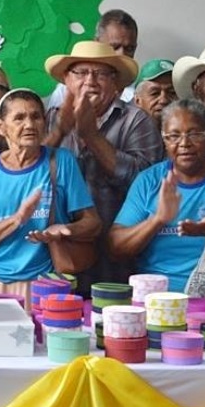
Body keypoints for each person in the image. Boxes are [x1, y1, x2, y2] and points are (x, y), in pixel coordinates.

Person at [44, 40, 163, 290]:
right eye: (81, 72)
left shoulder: (136, 120)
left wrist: (91, 135)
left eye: (100, 74)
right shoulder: (49, 117)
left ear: (116, 82)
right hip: (56, 252)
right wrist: (60, 131)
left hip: (116, 253)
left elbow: (144, 182)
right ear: (66, 78)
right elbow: (29, 173)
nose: (90, 81)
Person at [0, 89, 100, 300]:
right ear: (1, 127)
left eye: (36, 117)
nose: (29, 124)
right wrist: (17, 219)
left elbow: (93, 223)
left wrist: (65, 230)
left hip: (47, 283)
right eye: (19, 118)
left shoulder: (61, 161)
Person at [110, 99, 205, 293]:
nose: (184, 144)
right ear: (164, 140)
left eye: (194, 134)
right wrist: (157, 220)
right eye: (173, 136)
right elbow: (116, 248)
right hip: (157, 299)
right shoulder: (148, 181)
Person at [46, 9, 139, 109]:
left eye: (129, 49)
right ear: (97, 42)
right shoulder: (65, 90)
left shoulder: (139, 92)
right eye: (114, 47)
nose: (122, 54)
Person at [133, 59, 177, 130]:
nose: (164, 100)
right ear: (137, 100)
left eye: (172, 93)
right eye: (155, 93)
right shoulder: (126, 134)